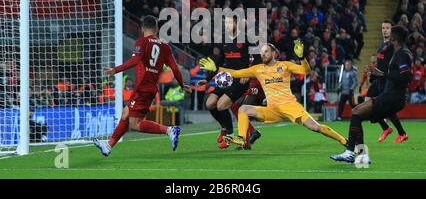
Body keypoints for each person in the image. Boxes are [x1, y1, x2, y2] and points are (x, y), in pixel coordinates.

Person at [199, 40, 347, 148]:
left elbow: (306, 71)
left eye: (266, 51)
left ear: (274, 53)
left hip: (290, 106)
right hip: (272, 109)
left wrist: (302, 58)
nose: (263, 54)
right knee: (243, 109)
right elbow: (236, 73)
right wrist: (217, 69)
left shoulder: (285, 65)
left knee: (316, 128)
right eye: (261, 52)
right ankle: (243, 139)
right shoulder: (257, 69)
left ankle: (344, 141)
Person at [93, 15, 190, 156]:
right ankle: (108, 146)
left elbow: (135, 60)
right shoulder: (165, 46)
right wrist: (182, 85)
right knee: (126, 113)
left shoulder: (141, 42)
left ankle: (169, 130)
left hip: (142, 88)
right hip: (150, 88)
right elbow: (175, 68)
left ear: (142, 29)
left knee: (135, 124)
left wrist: (115, 70)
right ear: (156, 29)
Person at [330, 26, 413, 164]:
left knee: (356, 111)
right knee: (357, 115)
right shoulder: (401, 53)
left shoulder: (402, 54)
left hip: (393, 97)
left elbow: (406, 76)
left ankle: (352, 153)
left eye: (391, 34)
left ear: (394, 38)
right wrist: (380, 74)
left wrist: (383, 74)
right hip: (392, 96)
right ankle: (361, 155)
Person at [203, 16, 257, 149]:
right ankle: (224, 128)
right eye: (225, 23)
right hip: (227, 77)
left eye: (229, 22)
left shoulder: (246, 38)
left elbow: (257, 58)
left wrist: (248, 73)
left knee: (221, 105)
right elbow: (219, 61)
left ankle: (230, 134)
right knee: (210, 103)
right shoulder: (223, 39)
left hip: (241, 79)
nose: (226, 25)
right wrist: (207, 78)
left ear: (236, 23)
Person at [364, 20, 408, 143]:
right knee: (368, 102)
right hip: (378, 79)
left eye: (387, 28)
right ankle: (387, 128)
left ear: (392, 30)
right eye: (383, 28)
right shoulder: (381, 45)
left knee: (384, 108)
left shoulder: (393, 46)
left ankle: (399, 132)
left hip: (386, 80)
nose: (385, 30)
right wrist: (373, 73)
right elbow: (381, 62)